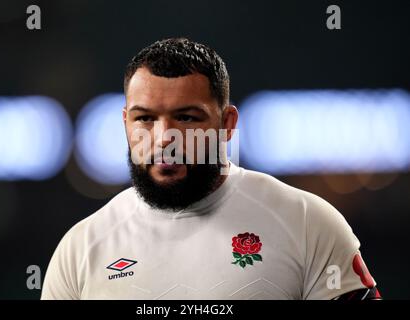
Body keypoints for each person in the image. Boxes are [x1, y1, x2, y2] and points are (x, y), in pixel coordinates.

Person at [41, 37, 381, 300]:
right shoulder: (80, 249)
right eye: (144, 118)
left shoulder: (308, 224)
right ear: (125, 122)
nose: (164, 139)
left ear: (227, 123)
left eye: (186, 118)